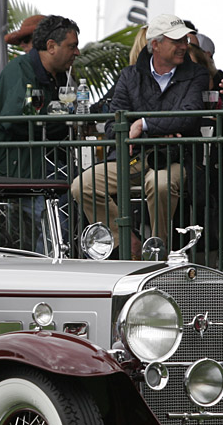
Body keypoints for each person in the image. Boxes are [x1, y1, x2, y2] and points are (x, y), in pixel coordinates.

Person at [71, 14, 209, 251]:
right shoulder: (129, 75)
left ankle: (157, 251)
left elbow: (189, 117)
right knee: (82, 185)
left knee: (160, 184)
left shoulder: (197, 73)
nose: (184, 46)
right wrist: (154, 131)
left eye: (184, 40)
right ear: (155, 44)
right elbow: (115, 127)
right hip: (134, 158)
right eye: (176, 41)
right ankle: (129, 242)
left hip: (175, 158)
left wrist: (141, 124)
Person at [0, 15, 80, 179]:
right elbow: (17, 122)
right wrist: (66, 123)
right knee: (82, 187)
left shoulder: (61, 75)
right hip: (21, 169)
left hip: (46, 162)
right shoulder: (21, 71)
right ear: (51, 46)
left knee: (86, 184)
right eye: (72, 47)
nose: (77, 52)